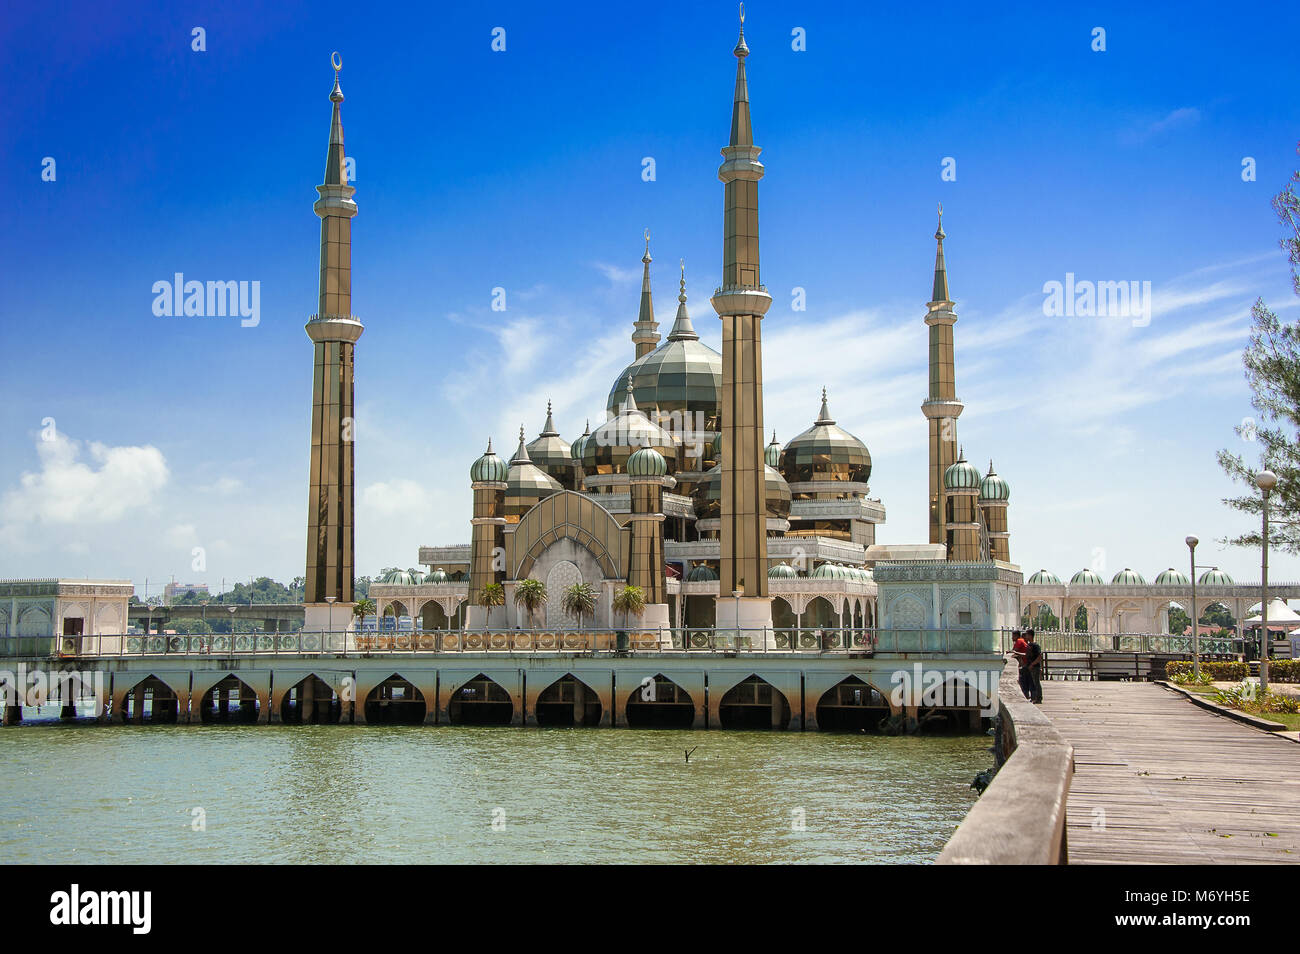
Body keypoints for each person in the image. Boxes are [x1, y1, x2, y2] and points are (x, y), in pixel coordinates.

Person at [1011, 629, 1031, 699]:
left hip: (1025, 663)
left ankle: (1025, 695)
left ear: (1016, 636)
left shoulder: (1019, 641)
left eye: (1013, 636)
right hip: (1025, 663)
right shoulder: (1020, 641)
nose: (1011, 638)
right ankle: (1027, 695)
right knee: (1025, 680)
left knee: (1023, 681)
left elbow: (1014, 652)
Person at [1025, 629, 1044, 703]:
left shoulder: (1035, 646)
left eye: (1027, 635)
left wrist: (1032, 664)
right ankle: (1034, 697)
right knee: (1033, 683)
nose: (1026, 636)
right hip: (1031, 666)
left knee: (1036, 682)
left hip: (1035, 667)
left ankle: (1038, 698)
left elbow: (1039, 657)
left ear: (1030, 635)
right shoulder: (1029, 645)